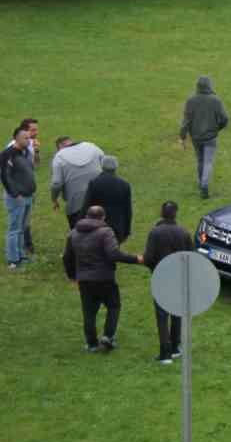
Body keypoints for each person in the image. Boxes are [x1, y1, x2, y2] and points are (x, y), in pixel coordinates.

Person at [63, 204, 142, 352]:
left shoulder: (73, 233)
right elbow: (114, 254)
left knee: (89, 311)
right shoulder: (106, 232)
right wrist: (135, 259)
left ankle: (91, 343)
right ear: (103, 217)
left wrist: (72, 275)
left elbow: (67, 257)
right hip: (104, 277)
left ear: (86, 216)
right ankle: (108, 336)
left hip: (84, 279)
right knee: (113, 306)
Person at [143, 200, 193, 364]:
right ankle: (175, 347)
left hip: (161, 276)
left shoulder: (155, 233)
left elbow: (148, 257)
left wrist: (153, 268)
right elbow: (191, 256)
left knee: (162, 315)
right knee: (176, 312)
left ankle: (165, 354)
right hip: (178, 276)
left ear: (161, 213)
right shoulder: (183, 232)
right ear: (175, 213)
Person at [179, 75, 229, 199]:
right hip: (211, 137)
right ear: (209, 86)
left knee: (200, 160)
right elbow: (225, 118)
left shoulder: (191, 101)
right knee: (208, 162)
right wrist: (217, 128)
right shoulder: (215, 100)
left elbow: (186, 121)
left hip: (196, 137)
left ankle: (201, 182)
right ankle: (204, 186)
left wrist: (183, 136)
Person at [50, 136, 105, 230]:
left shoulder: (59, 156)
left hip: (75, 203)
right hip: (100, 198)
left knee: (79, 233)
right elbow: (105, 162)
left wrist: (54, 199)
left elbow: (56, 183)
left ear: (59, 147)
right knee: (101, 229)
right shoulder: (92, 146)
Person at [2, 126, 36, 270]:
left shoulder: (26, 151)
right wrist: (15, 194)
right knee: (14, 228)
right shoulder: (7, 154)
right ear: (15, 138)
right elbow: (4, 176)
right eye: (25, 138)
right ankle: (12, 259)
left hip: (28, 195)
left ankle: (21, 255)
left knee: (22, 228)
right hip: (17, 197)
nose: (29, 141)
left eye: (29, 138)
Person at [85, 155, 133, 243]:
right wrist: (127, 230)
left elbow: (87, 206)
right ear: (116, 167)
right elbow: (128, 210)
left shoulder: (94, 183)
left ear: (102, 166)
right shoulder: (124, 185)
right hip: (117, 228)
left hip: (97, 226)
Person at [19, 118, 38, 256]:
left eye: (36, 129)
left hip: (29, 187)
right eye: (32, 130)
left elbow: (35, 165)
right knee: (21, 220)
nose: (35, 132)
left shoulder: (31, 143)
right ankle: (23, 248)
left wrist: (36, 151)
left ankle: (26, 245)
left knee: (26, 218)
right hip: (19, 190)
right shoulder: (13, 147)